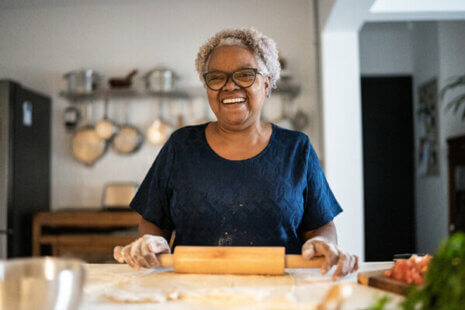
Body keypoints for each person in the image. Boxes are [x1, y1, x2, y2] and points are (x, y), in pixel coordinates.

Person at [114, 27, 358, 280]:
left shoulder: (296, 149)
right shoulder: (180, 146)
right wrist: (151, 242)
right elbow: (154, 221)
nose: (229, 86)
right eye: (217, 77)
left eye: (244, 75)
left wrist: (321, 242)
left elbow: (320, 225)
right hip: (191, 291)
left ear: (266, 83)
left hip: (282, 292)